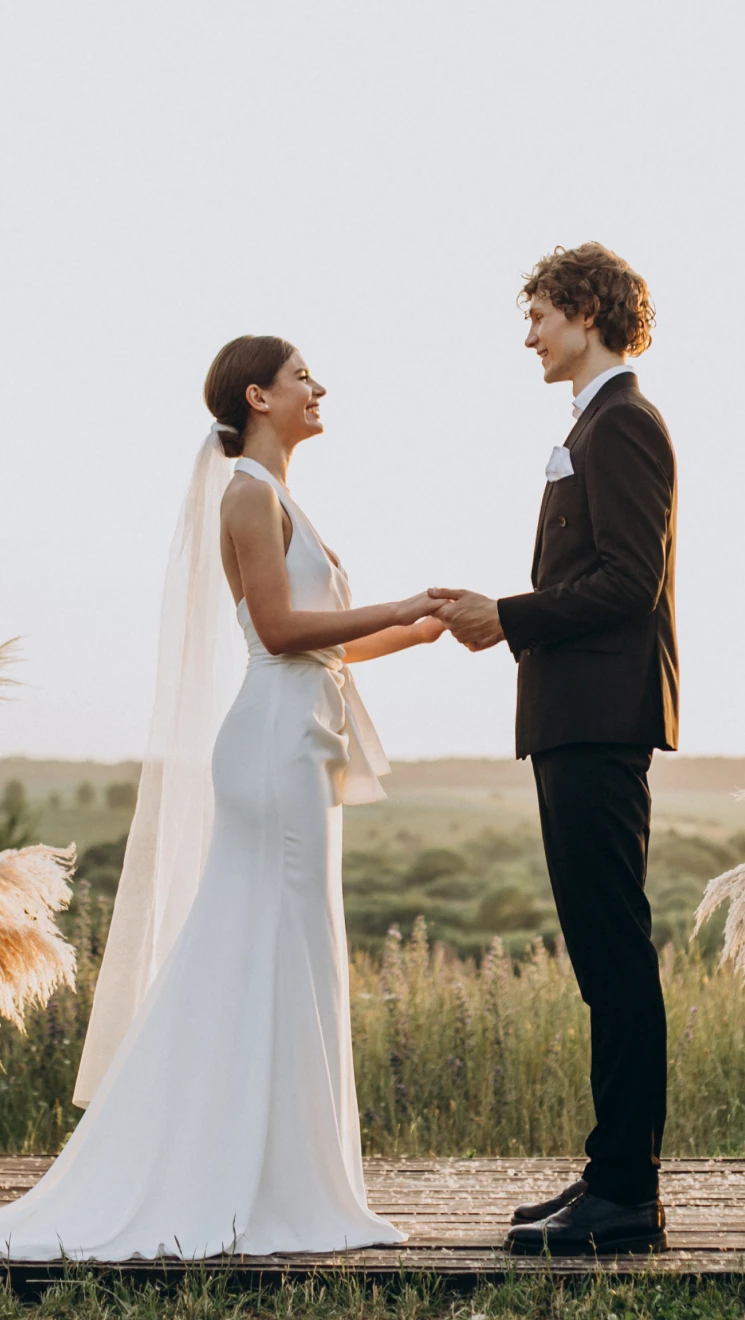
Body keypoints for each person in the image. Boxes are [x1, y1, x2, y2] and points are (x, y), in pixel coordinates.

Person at [0, 335, 445, 1260]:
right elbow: (280, 632)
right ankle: (245, 1182)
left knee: (288, 951)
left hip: (301, 743)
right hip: (274, 745)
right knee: (269, 945)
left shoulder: (281, 497)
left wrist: (421, 629)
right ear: (258, 395)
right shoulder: (248, 492)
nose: (319, 387)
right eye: (302, 377)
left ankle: (284, 1175)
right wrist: (398, 603)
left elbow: (324, 642)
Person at [430, 242, 678, 1256]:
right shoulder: (592, 423)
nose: (527, 334)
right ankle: (610, 1174)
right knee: (599, 957)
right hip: (575, 718)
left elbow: (629, 584)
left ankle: (625, 1194)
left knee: (614, 955)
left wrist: (509, 616)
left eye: (536, 314)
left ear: (586, 310)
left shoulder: (623, 425)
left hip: (599, 720)